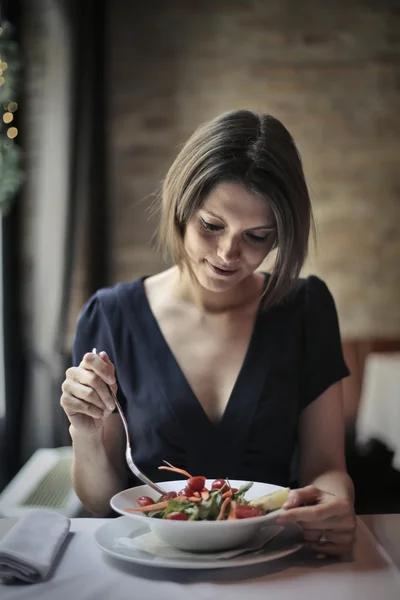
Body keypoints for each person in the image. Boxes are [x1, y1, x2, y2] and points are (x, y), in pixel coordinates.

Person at [61, 109, 356, 557]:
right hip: (151, 569)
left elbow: (326, 466)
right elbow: (100, 501)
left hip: (275, 566)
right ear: (181, 206)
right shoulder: (111, 316)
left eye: (256, 236)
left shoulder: (306, 310)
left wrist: (335, 501)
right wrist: (83, 430)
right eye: (211, 226)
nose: (227, 254)